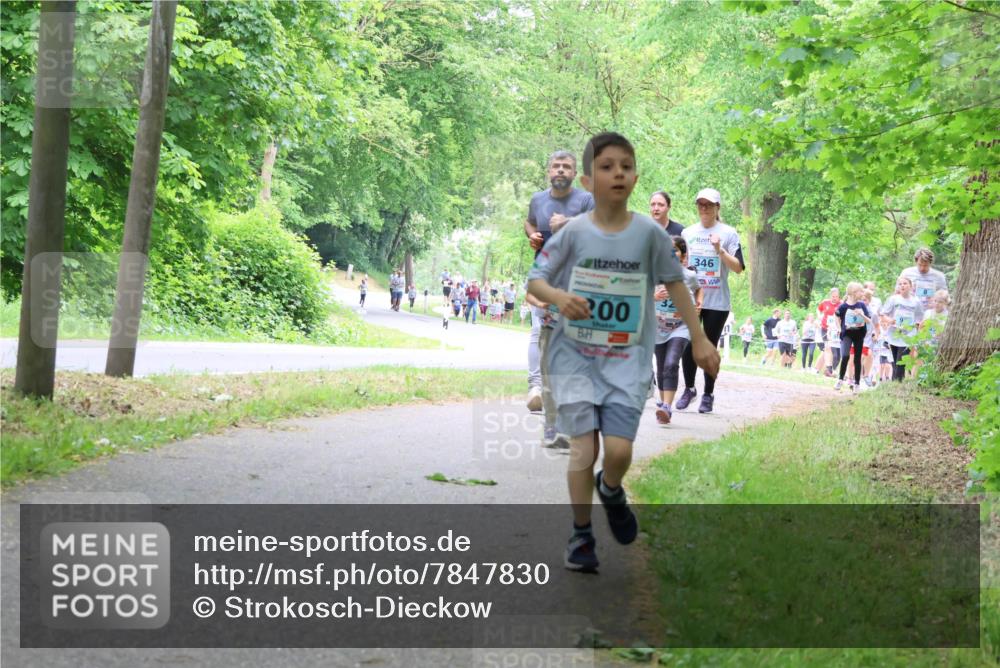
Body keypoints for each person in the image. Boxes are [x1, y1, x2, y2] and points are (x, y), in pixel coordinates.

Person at [527, 132, 719, 572]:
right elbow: (536, 280)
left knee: (617, 451)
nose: (618, 173)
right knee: (583, 448)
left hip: (626, 360)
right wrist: (559, 297)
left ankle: (611, 488)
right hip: (575, 356)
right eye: (607, 166)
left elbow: (677, 285)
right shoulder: (573, 233)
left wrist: (700, 338)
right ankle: (581, 535)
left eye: (626, 166)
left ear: (634, 178)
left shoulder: (649, 235)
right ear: (588, 181)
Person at [523, 150, 595, 413]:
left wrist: (568, 222)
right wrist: (532, 235)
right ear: (549, 171)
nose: (561, 170)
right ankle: (536, 388)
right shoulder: (538, 199)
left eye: (566, 166)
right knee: (539, 331)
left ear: (575, 173)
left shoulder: (585, 200)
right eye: (556, 166)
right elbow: (529, 222)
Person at [677, 187, 746, 413]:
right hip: (692, 298)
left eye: (709, 204)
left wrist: (720, 251)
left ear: (717, 207)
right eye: (701, 204)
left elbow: (739, 268)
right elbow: (680, 262)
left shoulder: (728, 233)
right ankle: (689, 389)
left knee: (709, 347)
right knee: (687, 344)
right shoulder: (688, 232)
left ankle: (708, 394)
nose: (704, 208)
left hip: (717, 301)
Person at [653, 235, 702, 425]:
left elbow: (698, 289)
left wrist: (699, 303)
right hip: (658, 327)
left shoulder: (689, 275)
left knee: (671, 363)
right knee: (661, 366)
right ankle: (663, 402)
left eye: (674, 250)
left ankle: (666, 407)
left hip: (681, 326)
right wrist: (655, 296)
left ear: (683, 255)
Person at [880, 276, 923, 381]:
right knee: (895, 362)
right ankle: (895, 382)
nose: (902, 286)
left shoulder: (916, 301)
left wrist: (916, 329)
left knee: (901, 362)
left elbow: (919, 318)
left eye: (905, 283)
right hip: (894, 334)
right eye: (900, 284)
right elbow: (883, 315)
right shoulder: (893, 299)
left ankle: (897, 382)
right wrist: (890, 321)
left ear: (911, 286)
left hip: (908, 336)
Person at [834, 282, 872, 391]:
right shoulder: (843, 306)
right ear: (854, 292)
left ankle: (857, 384)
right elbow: (836, 316)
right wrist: (838, 328)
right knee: (845, 356)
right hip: (847, 334)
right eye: (860, 291)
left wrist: (861, 314)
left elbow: (869, 320)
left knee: (857, 358)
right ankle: (840, 379)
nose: (862, 294)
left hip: (859, 335)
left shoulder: (862, 305)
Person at [816, 287, 842, 375]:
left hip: (836, 330)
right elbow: (818, 309)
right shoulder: (825, 302)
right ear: (830, 296)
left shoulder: (841, 304)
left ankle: (832, 369)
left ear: (839, 296)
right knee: (828, 348)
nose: (834, 298)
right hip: (825, 328)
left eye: (836, 296)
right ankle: (829, 369)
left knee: (837, 353)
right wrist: (819, 316)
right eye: (833, 296)